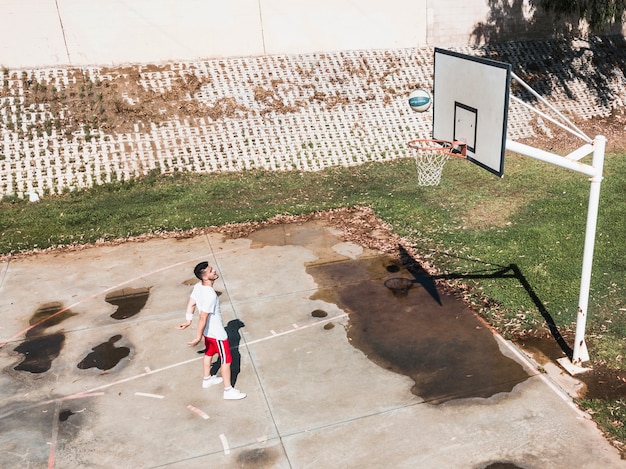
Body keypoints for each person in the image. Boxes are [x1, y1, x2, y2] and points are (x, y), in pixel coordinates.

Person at [178, 261, 246, 400]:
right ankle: (228, 390)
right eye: (210, 271)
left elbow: (191, 304)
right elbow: (203, 317)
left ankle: (207, 380)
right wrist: (197, 337)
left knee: (209, 353)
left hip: (208, 333)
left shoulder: (198, 287)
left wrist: (188, 320)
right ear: (205, 277)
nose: (214, 271)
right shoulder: (210, 295)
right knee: (227, 360)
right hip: (217, 334)